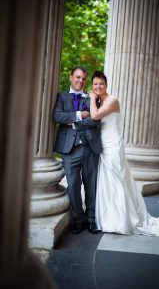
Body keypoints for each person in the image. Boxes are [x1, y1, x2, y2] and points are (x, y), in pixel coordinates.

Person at [89, 70, 159, 236]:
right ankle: (107, 217)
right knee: (106, 181)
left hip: (113, 145)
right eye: (95, 84)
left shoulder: (112, 100)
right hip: (102, 145)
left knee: (116, 178)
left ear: (106, 85)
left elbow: (95, 116)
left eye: (101, 83)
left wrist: (92, 98)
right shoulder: (100, 101)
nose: (98, 86)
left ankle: (121, 220)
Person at [53, 67, 102, 234]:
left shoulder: (92, 97)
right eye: (77, 77)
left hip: (90, 147)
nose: (80, 81)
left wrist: (72, 121)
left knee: (91, 184)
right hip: (69, 149)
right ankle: (78, 219)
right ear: (71, 78)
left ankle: (91, 219)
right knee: (73, 185)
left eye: (83, 78)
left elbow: (95, 121)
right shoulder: (61, 97)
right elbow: (57, 117)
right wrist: (80, 115)